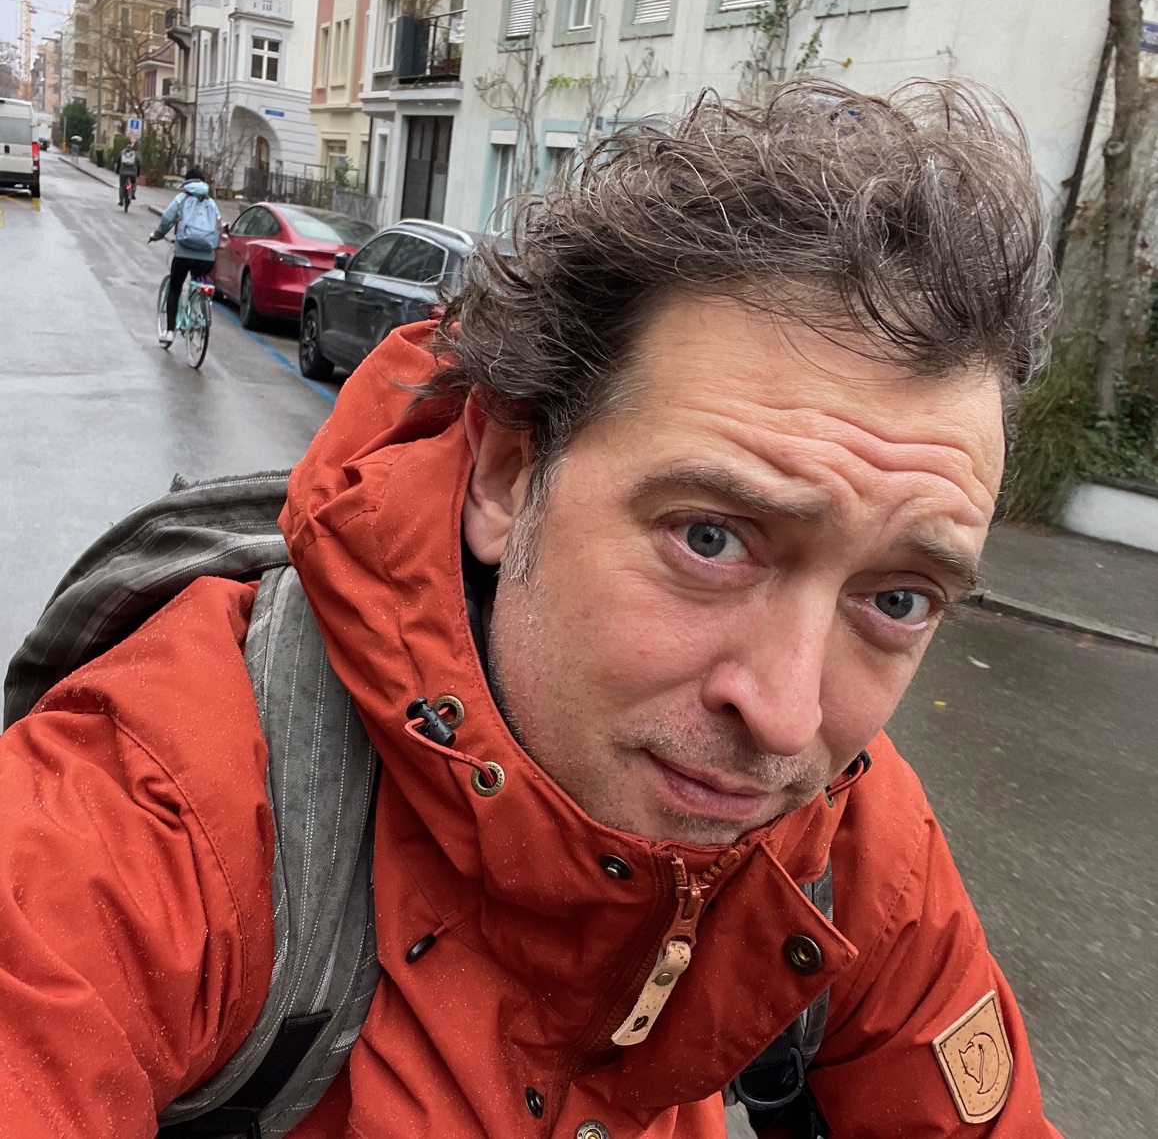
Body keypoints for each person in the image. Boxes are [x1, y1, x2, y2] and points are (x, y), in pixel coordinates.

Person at [0, 82, 1064, 1138]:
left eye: (896, 597)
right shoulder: (165, 806)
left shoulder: (849, 850)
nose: (787, 718)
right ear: (508, 476)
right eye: (711, 538)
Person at [147, 166, 221, 346]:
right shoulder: (211, 203)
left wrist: (157, 235)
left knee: (175, 287)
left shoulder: (181, 199)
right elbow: (218, 226)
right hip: (206, 257)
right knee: (200, 283)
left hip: (183, 253)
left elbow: (167, 219)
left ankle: (170, 331)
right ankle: (199, 311)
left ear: (187, 182)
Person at [115, 139, 139, 206]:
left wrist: (117, 170)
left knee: (122, 186)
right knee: (133, 183)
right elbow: (139, 164)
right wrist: (138, 173)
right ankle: (132, 194)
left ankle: (121, 201)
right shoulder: (135, 154)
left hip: (123, 173)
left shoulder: (122, 153)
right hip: (133, 173)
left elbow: (119, 162)